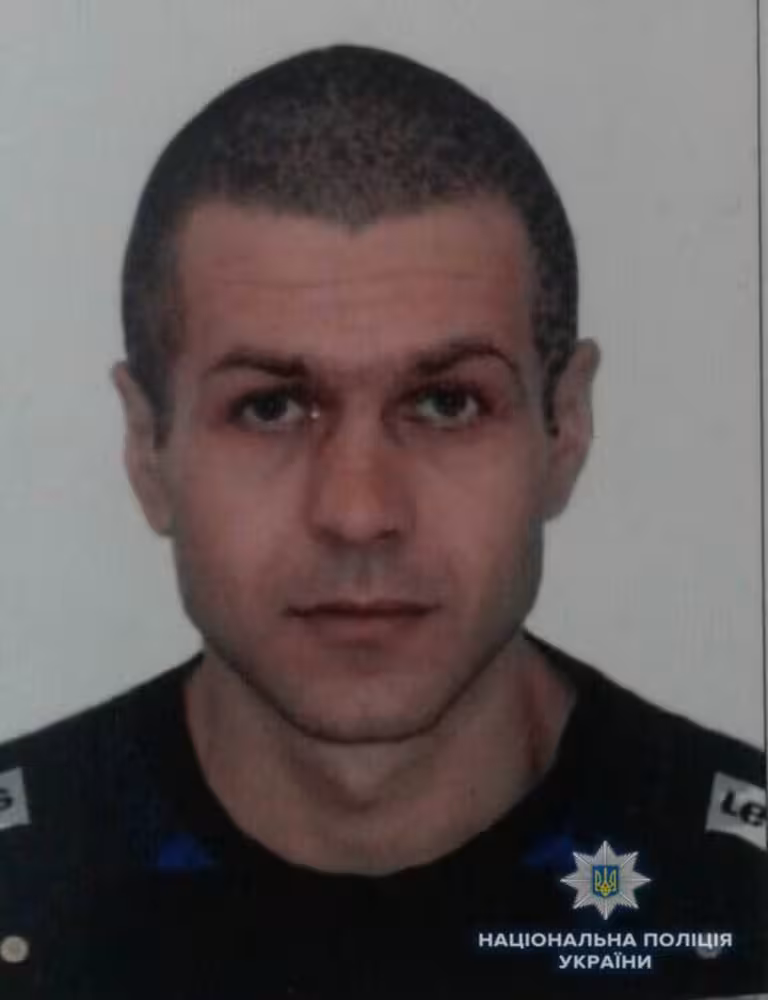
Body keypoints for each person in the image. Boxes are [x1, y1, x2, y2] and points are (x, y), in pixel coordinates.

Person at [0, 44, 764, 1000]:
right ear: (148, 450)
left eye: (447, 403)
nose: (358, 513)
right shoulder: (21, 887)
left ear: (565, 430)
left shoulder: (740, 900)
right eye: (270, 407)